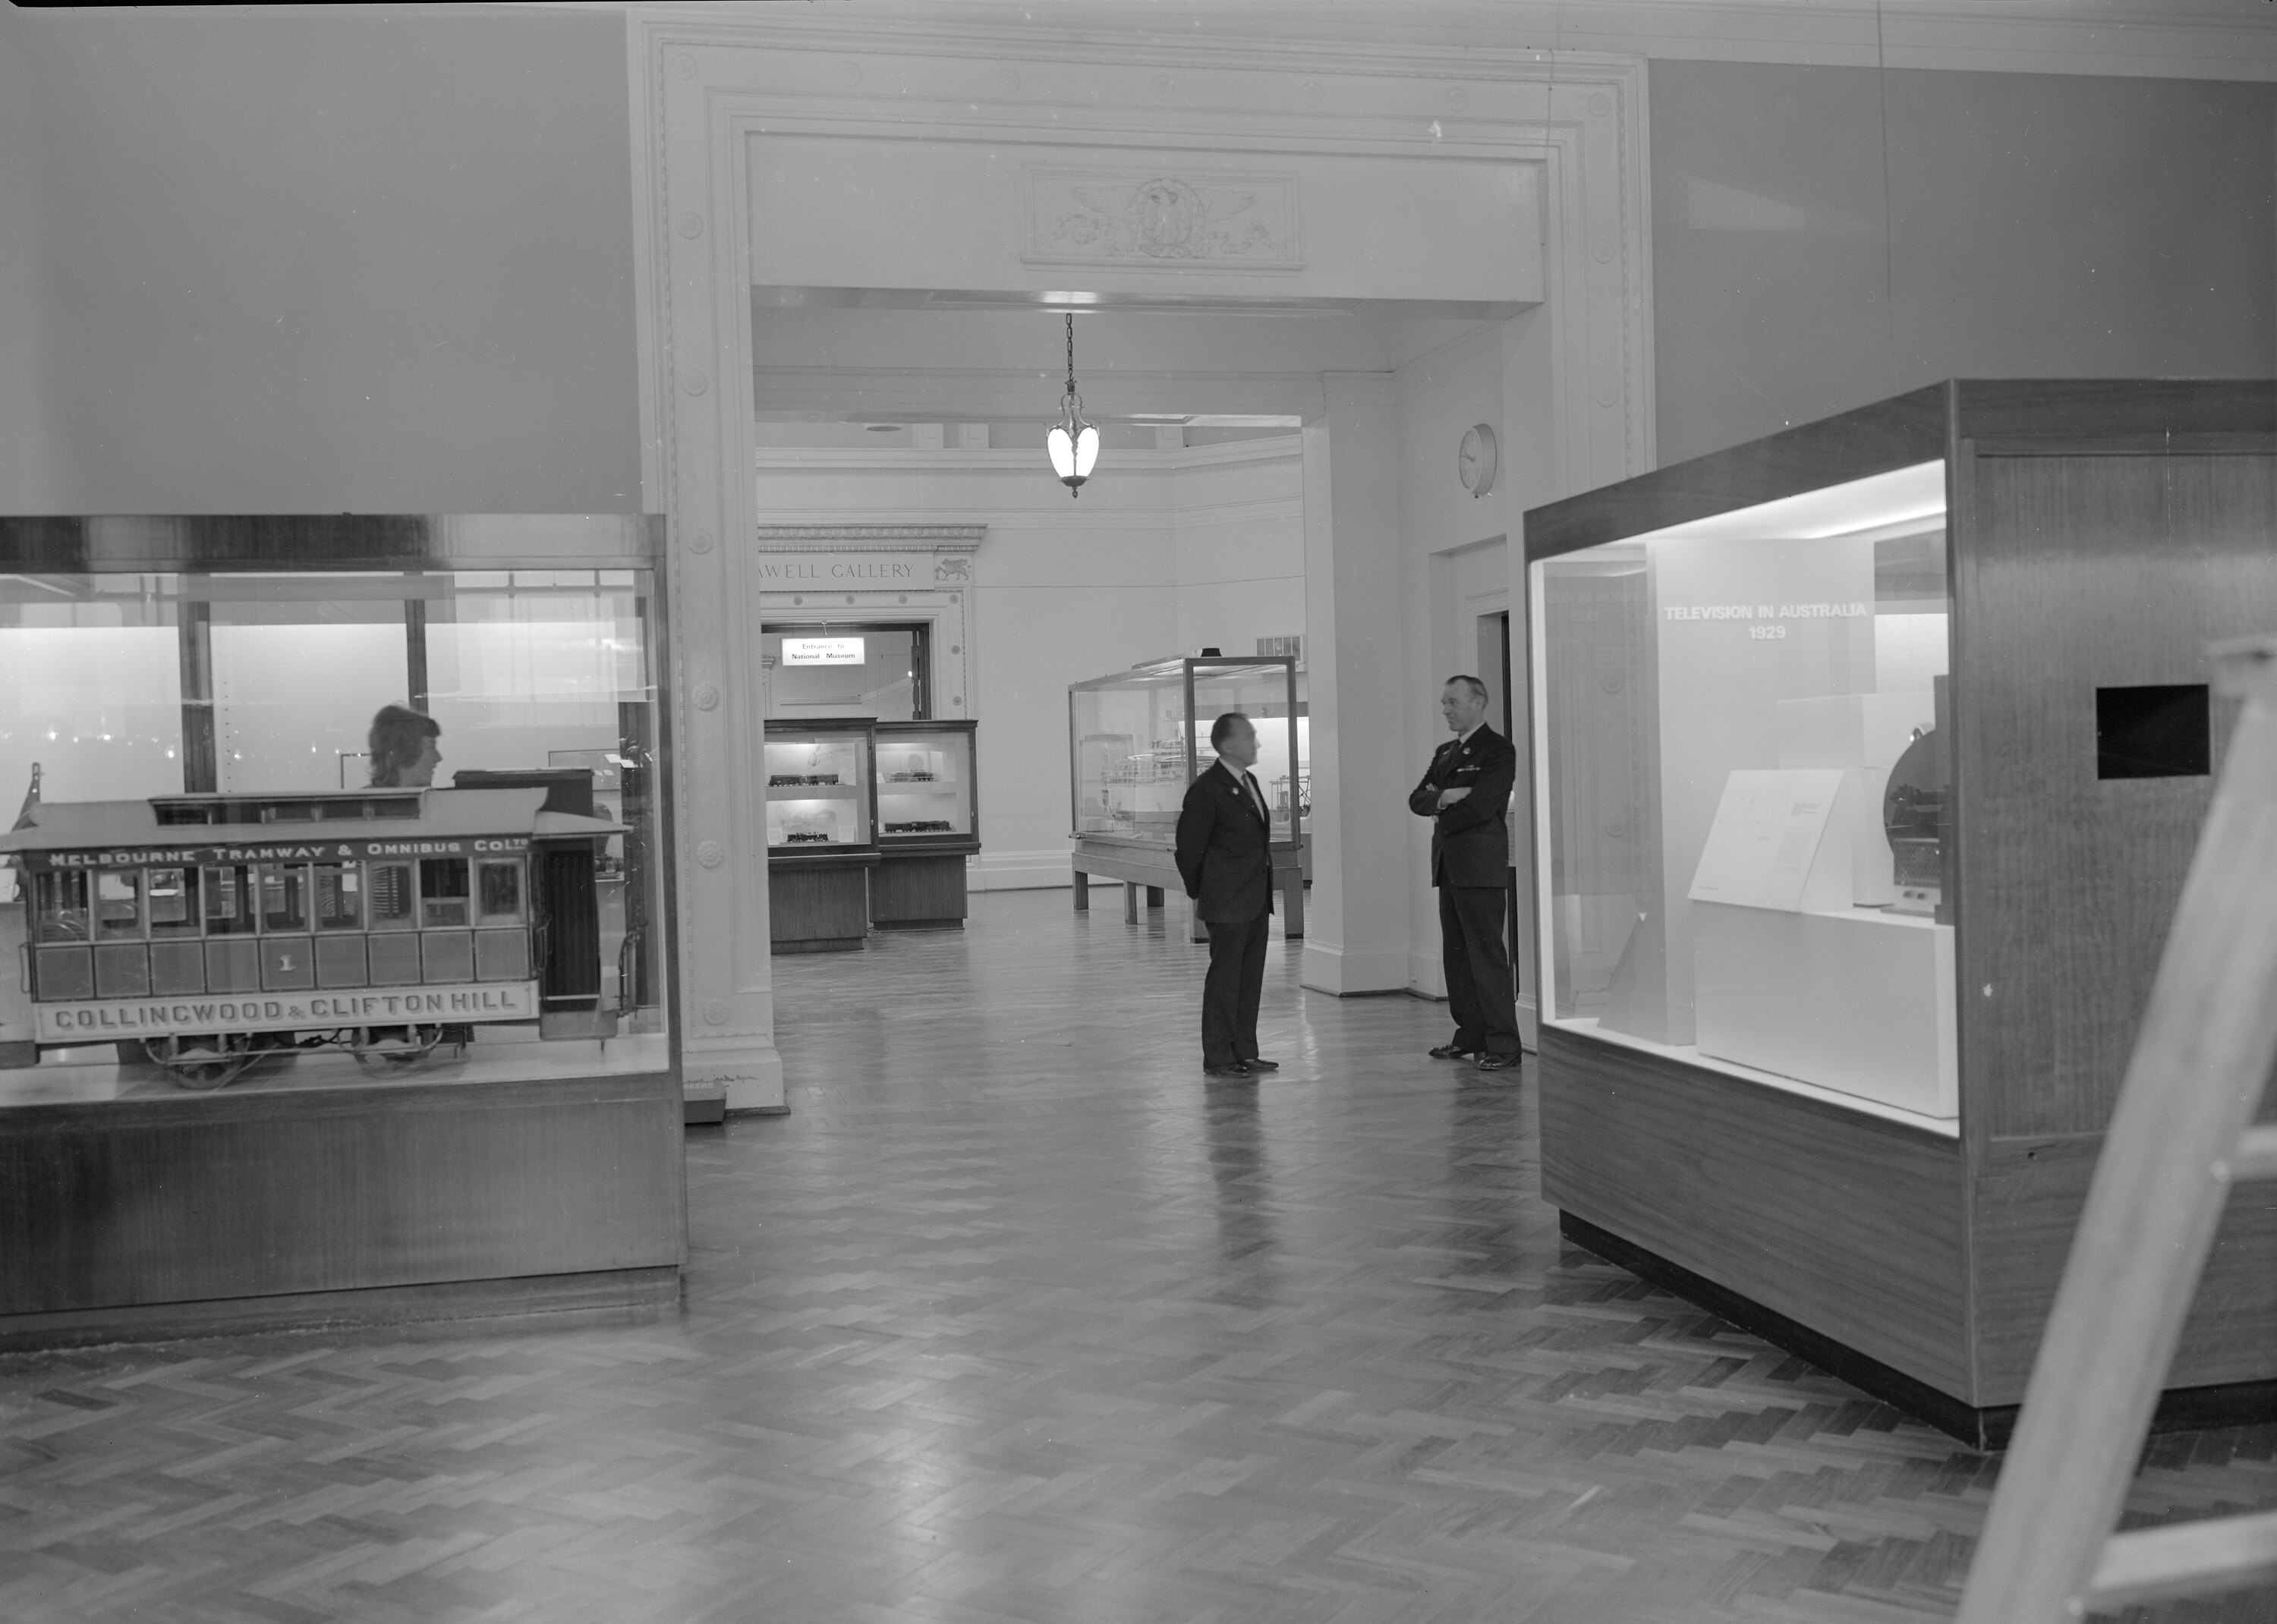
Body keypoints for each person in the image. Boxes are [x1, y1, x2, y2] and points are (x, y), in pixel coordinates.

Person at [1409, 675, 1521, 1072]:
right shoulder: (1445, 752)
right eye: (1444, 703)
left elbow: (1484, 806)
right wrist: (1446, 796)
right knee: (1456, 958)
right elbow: (1417, 799)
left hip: (1480, 868)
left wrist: (1441, 809)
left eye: (1453, 702)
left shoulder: (1497, 750)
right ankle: (1470, 1035)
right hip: (1449, 867)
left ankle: (1504, 1045)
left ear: (1478, 702)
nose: (1446, 710)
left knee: (1487, 957)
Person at [1175, 712, 1277, 1079]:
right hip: (1227, 901)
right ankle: (1219, 1056)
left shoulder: (1248, 781)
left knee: (1249, 980)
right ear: (1228, 745)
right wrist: (1205, 893)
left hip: (1254, 899)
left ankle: (1245, 1052)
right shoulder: (1207, 789)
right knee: (1225, 981)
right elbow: (1189, 850)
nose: (1256, 743)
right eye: (1249, 737)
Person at [368, 703, 442, 788]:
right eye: (431, 747)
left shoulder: (428, 796)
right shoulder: (365, 797)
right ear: (404, 751)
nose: (438, 758)